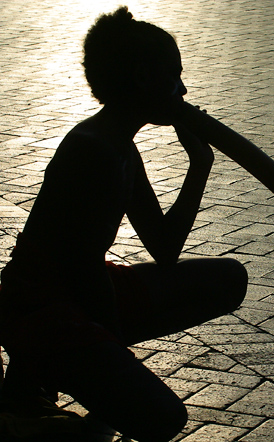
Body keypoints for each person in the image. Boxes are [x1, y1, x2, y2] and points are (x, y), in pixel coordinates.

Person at [0, 6, 247, 442]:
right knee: (164, 419)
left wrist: (200, 164)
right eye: (175, 76)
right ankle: (33, 380)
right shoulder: (94, 149)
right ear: (142, 78)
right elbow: (84, 271)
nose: (183, 89)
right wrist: (111, 343)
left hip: (79, 292)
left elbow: (164, 248)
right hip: (42, 307)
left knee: (229, 279)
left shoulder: (121, 148)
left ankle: (73, 378)